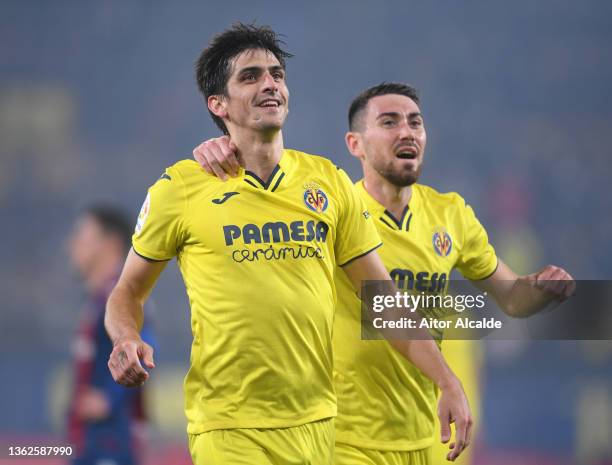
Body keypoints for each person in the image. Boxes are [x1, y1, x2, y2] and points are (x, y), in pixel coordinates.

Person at [105, 25, 472, 465]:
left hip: (318, 425)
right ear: (217, 104)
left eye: (276, 74)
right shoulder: (181, 188)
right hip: (229, 425)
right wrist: (126, 337)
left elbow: (384, 303)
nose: (270, 84)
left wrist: (448, 382)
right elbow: (127, 290)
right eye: (250, 76)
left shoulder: (328, 182)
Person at [193, 82, 575, 464]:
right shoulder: (332, 207)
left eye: (415, 122)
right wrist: (224, 151)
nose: (407, 131)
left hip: (430, 438)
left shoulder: (451, 214)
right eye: (389, 122)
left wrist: (540, 290)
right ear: (355, 144)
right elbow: (263, 196)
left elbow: (512, 297)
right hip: (345, 439)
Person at [67, 205, 154, 465]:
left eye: (83, 237)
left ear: (110, 244)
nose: (73, 245)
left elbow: (146, 345)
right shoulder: (97, 298)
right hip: (89, 441)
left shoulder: (122, 302)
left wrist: (109, 398)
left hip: (111, 443)